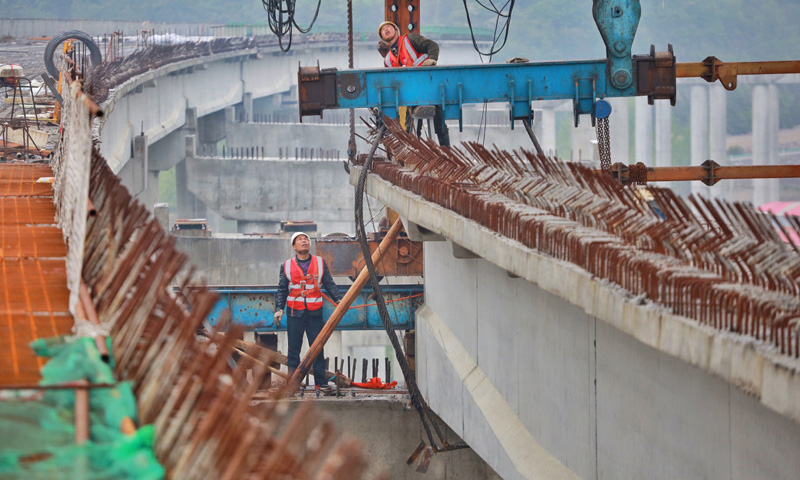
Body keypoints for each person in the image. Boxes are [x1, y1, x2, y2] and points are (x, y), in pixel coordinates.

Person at [274, 232, 341, 390]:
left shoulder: (319, 262)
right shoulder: (287, 265)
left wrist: (339, 300)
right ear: (294, 246)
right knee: (293, 350)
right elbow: (282, 289)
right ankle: (293, 384)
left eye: (306, 239)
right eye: (300, 240)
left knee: (317, 348)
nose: (303, 241)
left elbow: (329, 283)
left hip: (314, 313)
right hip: (294, 313)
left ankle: (321, 383)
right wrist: (279, 309)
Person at [377, 21, 450, 147]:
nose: (386, 29)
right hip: (410, 96)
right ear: (382, 38)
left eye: (388, 27)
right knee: (410, 127)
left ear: (396, 30)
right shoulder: (388, 60)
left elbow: (432, 45)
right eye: (383, 29)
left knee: (439, 124)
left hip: (428, 86)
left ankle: (447, 152)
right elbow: (390, 83)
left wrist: (432, 59)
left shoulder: (410, 39)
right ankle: (416, 152)